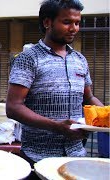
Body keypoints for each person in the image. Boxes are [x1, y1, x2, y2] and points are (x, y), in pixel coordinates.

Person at [6, 0, 104, 166]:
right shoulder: (29, 59)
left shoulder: (80, 60)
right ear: (47, 22)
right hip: (37, 158)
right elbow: (13, 107)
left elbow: (89, 98)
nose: (74, 28)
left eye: (77, 23)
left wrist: (106, 116)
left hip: (76, 157)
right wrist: (57, 127)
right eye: (66, 22)